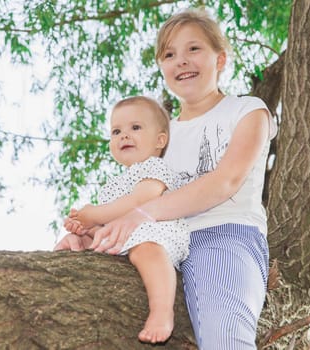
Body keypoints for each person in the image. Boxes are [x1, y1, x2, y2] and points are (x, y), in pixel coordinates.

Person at [87, 9, 277, 350]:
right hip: (161, 239)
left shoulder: (248, 111)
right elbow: (137, 191)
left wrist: (142, 214)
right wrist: (92, 230)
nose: (181, 62)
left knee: (225, 341)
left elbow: (226, 181)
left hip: (223, 233)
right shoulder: (160, 136)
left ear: (220, 59)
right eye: (169, 54)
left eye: (194, 49)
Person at [54, 96, 189, 344]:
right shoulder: (112, 185)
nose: (124, 136)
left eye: (135, 128)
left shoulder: (155, 167)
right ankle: (75, 243)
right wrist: (87, 228)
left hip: (157, 232)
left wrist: (93, 214)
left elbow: (140, 200)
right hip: (124, 237)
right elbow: (109, 223)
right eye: (116, 131)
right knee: (84, 238)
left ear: (160, 140)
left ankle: (162, 311)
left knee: (147, 250)